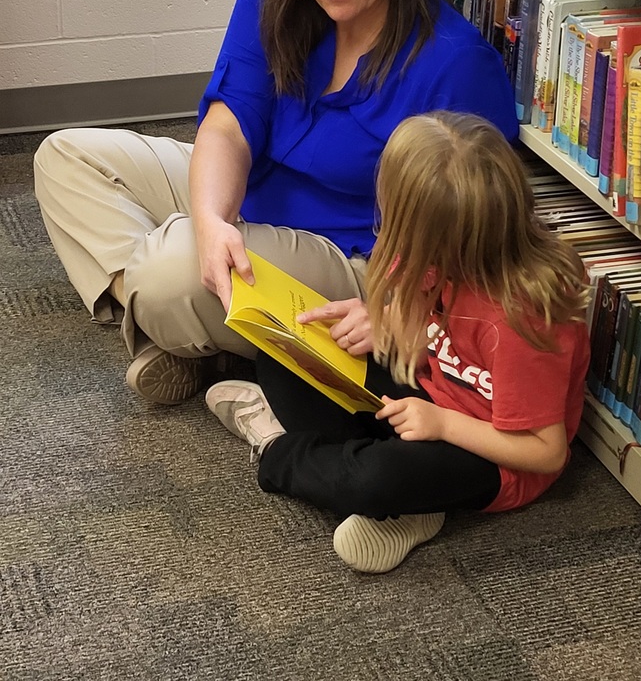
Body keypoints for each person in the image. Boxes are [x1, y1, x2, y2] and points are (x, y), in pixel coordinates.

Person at [33, 0, 518, 405]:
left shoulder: (454, 61)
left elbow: (482, 230)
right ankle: (192, 333)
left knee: (167, 269)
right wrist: (213, 223)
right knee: (66, 158)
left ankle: (187, 322)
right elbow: (228, 125)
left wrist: (392, 310)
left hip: (353, 255)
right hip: (253, 198)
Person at [205, 111, 591, 573]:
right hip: (426, 395)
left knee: (377, 478)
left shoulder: (522, 317)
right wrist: (379, 324)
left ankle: (277, 450)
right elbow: (424, 340)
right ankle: (411, 506)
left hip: (492, 455)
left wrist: (444, 425)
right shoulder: (428, 259)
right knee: (285, 354)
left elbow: (547, 453)